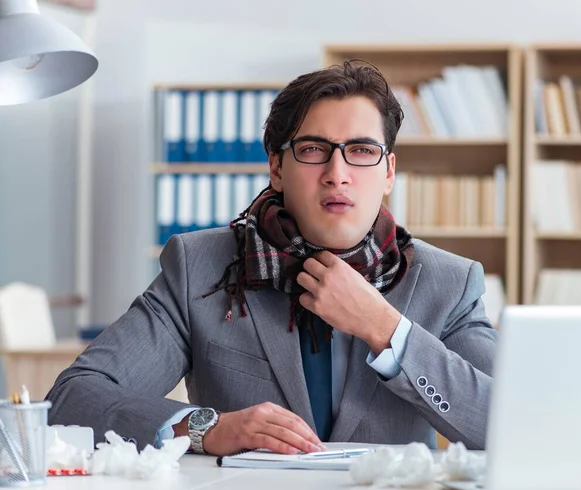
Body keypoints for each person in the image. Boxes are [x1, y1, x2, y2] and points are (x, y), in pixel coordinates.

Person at [46, 60, 496, 457]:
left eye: (361, 151)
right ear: (277, 169)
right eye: (314, 150)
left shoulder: (448, 283)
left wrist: (387, 330)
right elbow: (72, 398)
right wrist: (207, 428)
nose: (337, 175)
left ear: (388, 172)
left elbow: (510, 425)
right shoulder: (201, 266)